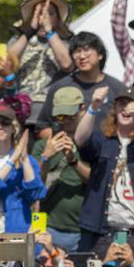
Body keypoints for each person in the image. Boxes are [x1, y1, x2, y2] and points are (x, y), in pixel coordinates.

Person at [74, 86, 134, 267]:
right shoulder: (103, 140)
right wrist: (93, 107)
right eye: (121, 105)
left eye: (132, 105)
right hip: (101, 233)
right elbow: (80, 139)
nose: (126, 109)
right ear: (114, 110)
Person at [32, 85, 90, 253]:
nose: (64, 120)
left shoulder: (92, 145)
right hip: (48, 227)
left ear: (82, 109)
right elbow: (35, 187)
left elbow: (97, 182)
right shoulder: (42, 146)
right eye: (59, 116)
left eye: (70, 115)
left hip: (82, 228)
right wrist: (45, 157)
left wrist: (74, 161)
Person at [0, 107, 47, 232]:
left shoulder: (29, 160)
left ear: (13, 128)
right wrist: (12, 160)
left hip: (18, 228)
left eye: (5, 123)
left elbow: (35, 194)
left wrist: (24, 158)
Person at [42, 31, 126, 127]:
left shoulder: (118, 88)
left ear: (100, 55)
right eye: (77, 51)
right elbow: (43, 126)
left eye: (86, 50)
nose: (82, 56)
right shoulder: (60, 87)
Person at [8, 0, 74, 104]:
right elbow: (6, 63)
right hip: (21, 105)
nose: (44, 18)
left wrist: (49, 31)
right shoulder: (18, 40)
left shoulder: (66, 43)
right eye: (39, 13)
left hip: (54, 106)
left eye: (50, 14)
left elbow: (67, 65)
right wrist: (30, 32)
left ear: (58, 20)